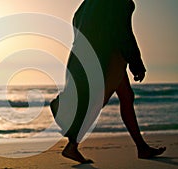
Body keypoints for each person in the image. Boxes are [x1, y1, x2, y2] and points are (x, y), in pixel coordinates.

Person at [50, 0, 166, 163]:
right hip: (108, 56)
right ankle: (72, 144)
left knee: (126, 96)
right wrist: (135, 62)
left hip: (92, 56)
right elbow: (123, 31)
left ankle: (142, 147)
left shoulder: (87, 4)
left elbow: (77, 24)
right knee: (97, 102)